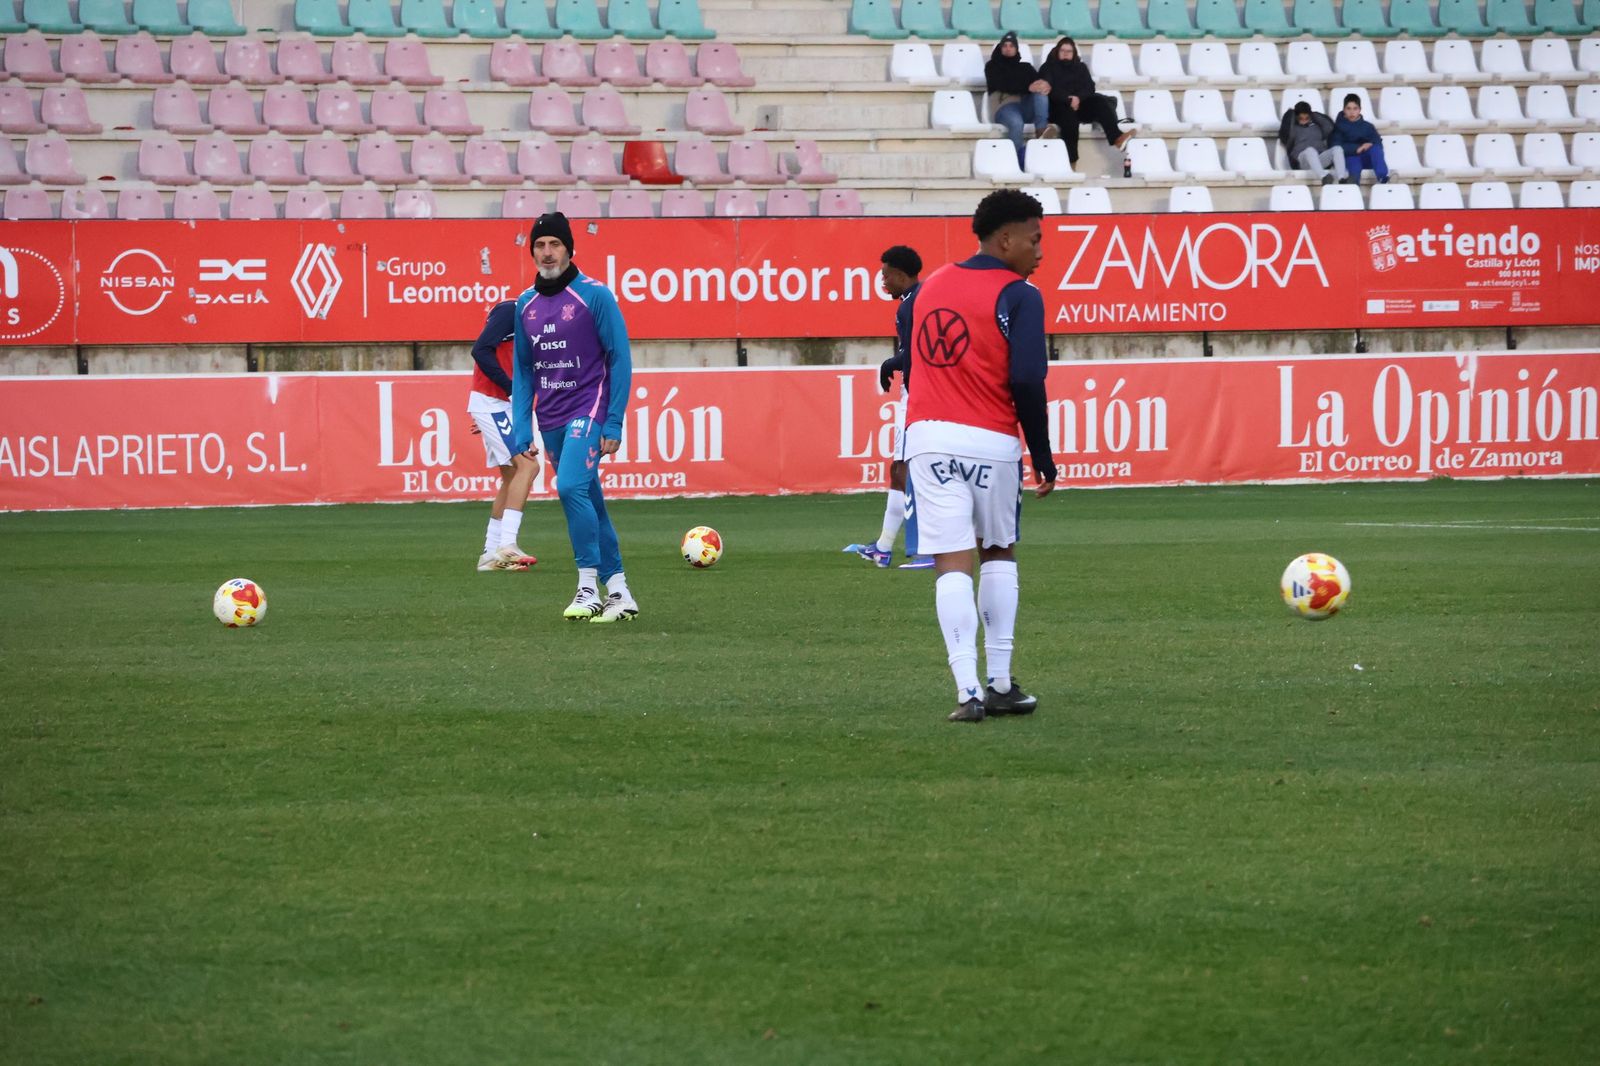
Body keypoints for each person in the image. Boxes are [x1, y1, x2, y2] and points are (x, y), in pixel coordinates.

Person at [902, 189, 1059, 724]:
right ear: (1006, 239)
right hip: (990, 440)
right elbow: (1027, 379)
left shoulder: (930, 286)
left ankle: (967, 691)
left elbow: (913, 362)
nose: (1040, 251)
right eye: (1035, 239)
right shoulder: (1021, 294)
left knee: (950, 562)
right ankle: (1000, 683)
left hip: (929, 439)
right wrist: (1043, 456)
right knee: (997, 551)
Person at [510, 212, 638, 624]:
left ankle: (587, 588)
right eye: (540, 245)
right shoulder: (525, 304)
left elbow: (619, 357)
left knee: (568, 487)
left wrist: (613, 421)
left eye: (555, 244)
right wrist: (520, 426)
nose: (547, 252)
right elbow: (523, 369)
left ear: (569, 249)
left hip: (588, 407)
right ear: (532, 252)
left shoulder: (594, 295)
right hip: (550, 417)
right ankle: (619, 591)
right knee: (589, 500)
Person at [843, 245, 932, 571]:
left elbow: (916, 352)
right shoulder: (918, 299)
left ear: (900, 275)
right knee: (900, 469)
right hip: (921, 392)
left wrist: (891, 363)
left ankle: (927, 549)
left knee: (907, 470)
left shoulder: (911, 306)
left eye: (885, 275)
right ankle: (883, 547)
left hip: (918, 395)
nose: (882, 281)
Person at [469, 299, 541, 572]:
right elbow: (480, 350)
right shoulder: (512, 309)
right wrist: (510, 389)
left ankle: (490, 555)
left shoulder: (544, 321)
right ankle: (507, 544)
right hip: (494, 402)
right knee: (528, 466)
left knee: (511, 475)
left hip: (501, 406)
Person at [1037, 36, 1134, 166]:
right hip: (1057, 107)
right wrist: (1068, 100)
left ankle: (1117, 138)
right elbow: (1047, 89)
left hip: (1078, 105)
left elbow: (1090, 87)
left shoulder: (1081, 67)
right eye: (1062, 50)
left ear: (1074, 53)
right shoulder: (1048, 67)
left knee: (1099, 101)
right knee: (1069, 120)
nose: (1065, 54)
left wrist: (1078, 98)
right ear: (1057, 51)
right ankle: (1071, 162)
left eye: (1069, 51)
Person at [985, 31, 1057, 169]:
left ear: (1016, 48)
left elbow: (1036, 83)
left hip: (1024, 106)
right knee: (1017, 123)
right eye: (1005, 46)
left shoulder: (1026, 67)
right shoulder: (992, 66)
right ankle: (1017, 163)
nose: (1008, 48)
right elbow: (1002, 84)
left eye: (1011, 46)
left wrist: (1044, 85)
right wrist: (1027, 87)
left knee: (1041, 92)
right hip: (1004, 107)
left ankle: (1041, 131)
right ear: (1000, 48)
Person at [1277, 99, 1347, 185]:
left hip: (1319, 158)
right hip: (1302, 161)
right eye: (1301, 118)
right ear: (1296, 117)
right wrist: (1291, 114)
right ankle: (1324, 177)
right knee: (1310, 150)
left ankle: (1342, 178)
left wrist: (1313, 115)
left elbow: (1329, 127)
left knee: (1337, 149)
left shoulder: (1317, 126)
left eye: (1307, 118)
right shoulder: (1292, 128)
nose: (1304, 121)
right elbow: (1284, 134)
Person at [1333, 92, 1388, 185]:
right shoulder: (1338, 127)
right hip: (1350, 157)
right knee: (1354, 166)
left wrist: (1369, 144)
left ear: (1360, 110)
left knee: (1376, 149)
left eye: (1355, 108)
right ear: (1344, 110)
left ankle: (1383, 178)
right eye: (1348, 108)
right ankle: (1354, 186)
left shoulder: (1368, 126)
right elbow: (1335, 146)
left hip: (1366, 157)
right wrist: (1357, 148)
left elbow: (1378, 142)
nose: (1352, 112)